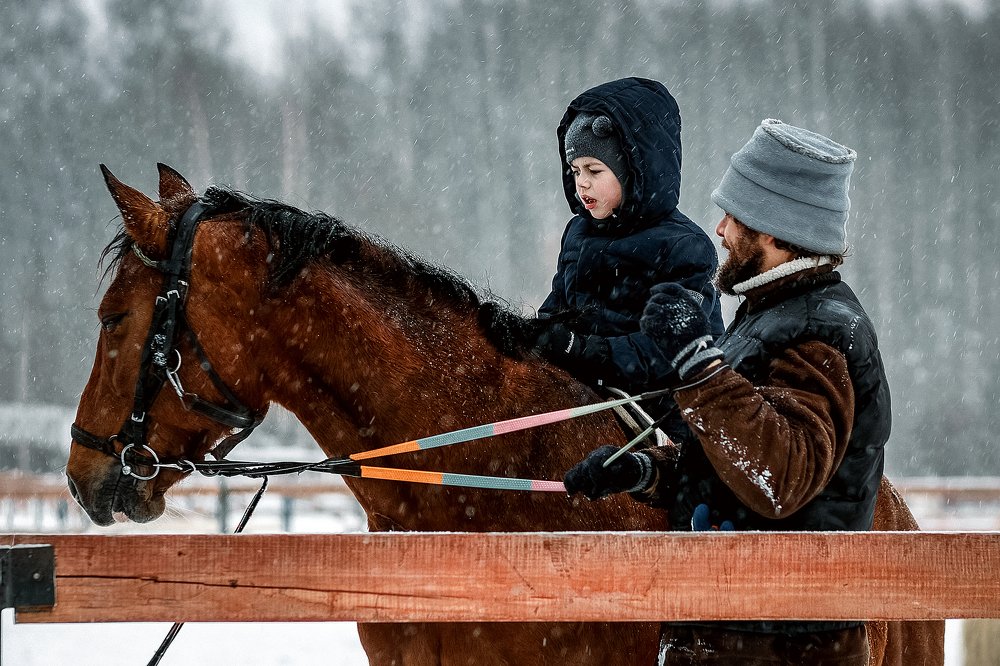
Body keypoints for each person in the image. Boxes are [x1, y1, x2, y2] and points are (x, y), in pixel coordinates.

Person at [564, 119, 886, 665]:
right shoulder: (773, 315)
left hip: (779, 648)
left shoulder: (820, 333)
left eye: (734, 217)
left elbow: (779, 478)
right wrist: (645, 472)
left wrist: (697, 363)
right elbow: (730, 466)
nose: (718, 229)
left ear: (773, 231)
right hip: (731, 634)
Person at [525, 77, 724, 444]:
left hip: (668, 419)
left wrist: (586, 351)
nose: (581, 184)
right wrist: (526, 336)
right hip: (588, 401)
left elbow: (670, 351)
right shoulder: (578, 233)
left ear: (636, 169)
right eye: (575, 171)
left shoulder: (685, 247)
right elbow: (557, 311)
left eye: (594, 171)